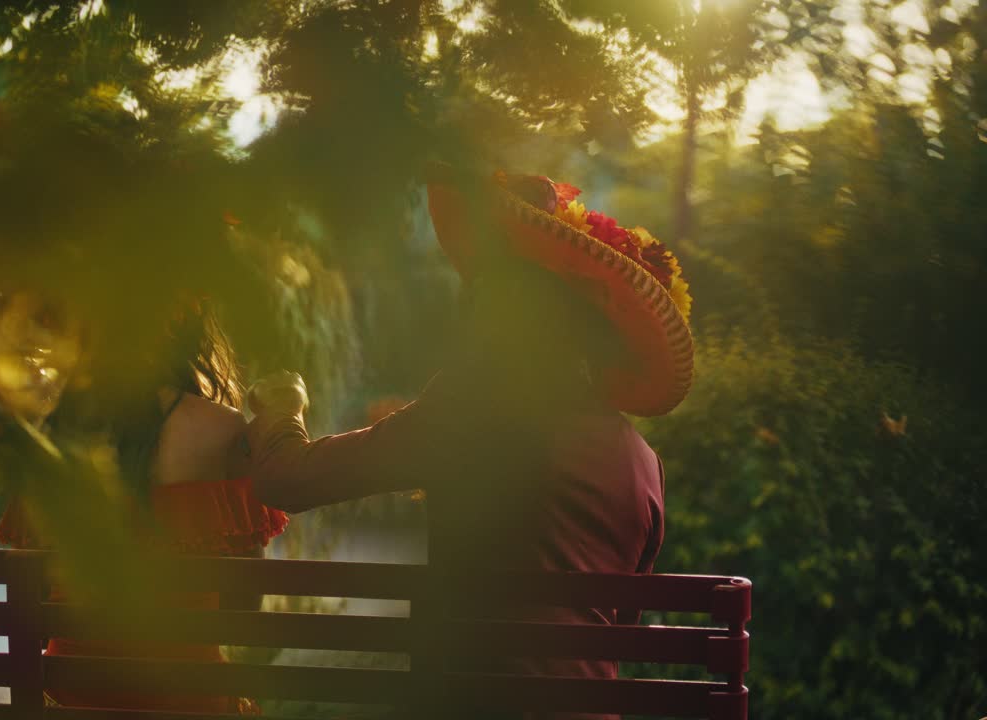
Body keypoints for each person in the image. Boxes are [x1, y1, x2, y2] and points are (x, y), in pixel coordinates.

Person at [245, 167, 694, 720]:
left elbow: (286, 478)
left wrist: (283, 405)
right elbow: (614, 634)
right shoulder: (642, 463)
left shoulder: (472, 410)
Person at [0, 297, 287, 714]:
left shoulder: (48, 428)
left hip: (71, 699)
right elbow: (243, 610)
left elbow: (32, 605)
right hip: (188, 698)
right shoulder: (222, 430)